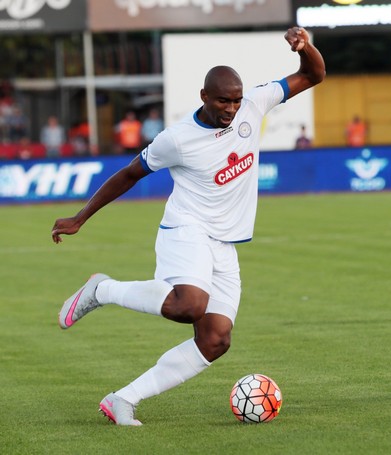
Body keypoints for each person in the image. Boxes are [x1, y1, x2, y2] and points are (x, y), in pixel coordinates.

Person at [51, 26, 325, 426]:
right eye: (223, 101)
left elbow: (313, 74)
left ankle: (122, 399)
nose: (231, 108)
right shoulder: (177, 139)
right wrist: (80, 217)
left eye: (235, 100)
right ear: (203, 96)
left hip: (224, 243)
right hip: (186, 228)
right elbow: (129, 174)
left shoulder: (254, 104)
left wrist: (305, 48)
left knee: (215, 340)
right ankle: (102, 289)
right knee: (189, 305)